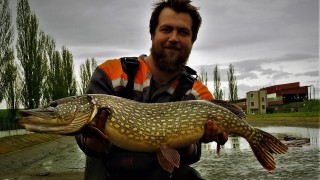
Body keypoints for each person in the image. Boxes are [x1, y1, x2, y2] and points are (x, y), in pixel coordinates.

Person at [76, 0, 228, 179]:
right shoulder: (111, 73)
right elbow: (88, 144)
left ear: (192, 40)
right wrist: (95, 139)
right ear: (152, 34)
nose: (173, 38)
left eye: (183, 32)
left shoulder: (198, 94)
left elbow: (192, 155)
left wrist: (185, 142)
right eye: (166, 29)